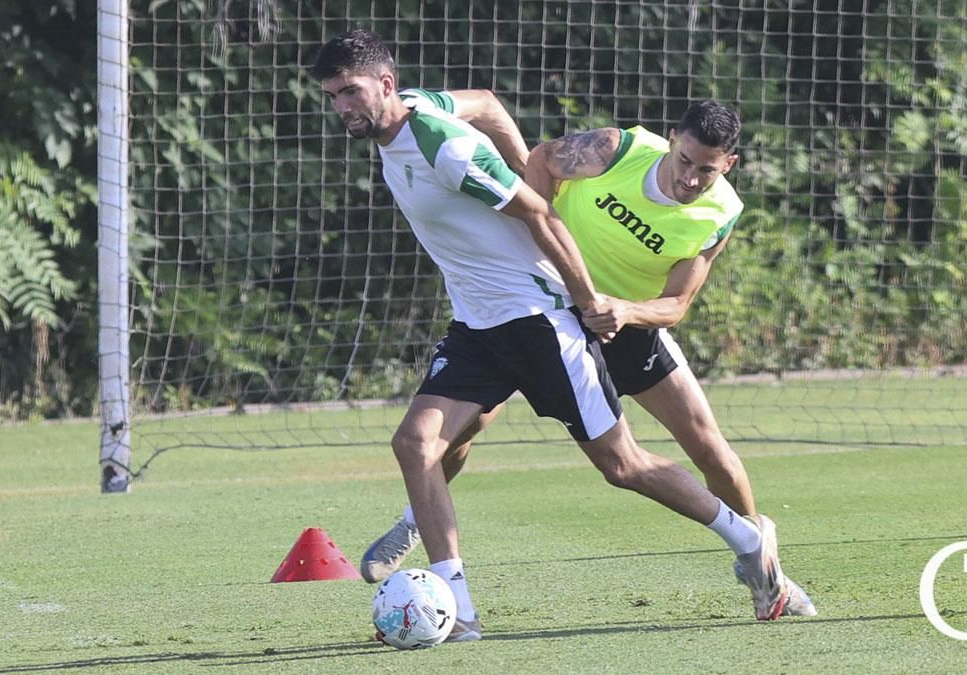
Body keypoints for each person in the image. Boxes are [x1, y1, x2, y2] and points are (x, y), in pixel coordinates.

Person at [312, 30, 790, 642]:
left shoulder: (446, 148)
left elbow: (538, 212)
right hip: (479, 324)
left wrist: (589, 300)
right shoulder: (417, 106)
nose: (343, 106)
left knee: (623, 465)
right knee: (416, 443)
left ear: (384, 84)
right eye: (334, 96)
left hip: (539, 322)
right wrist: (521, 161)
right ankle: (459, 613)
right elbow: (487, 102)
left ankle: (747, 536)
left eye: (351, 92)